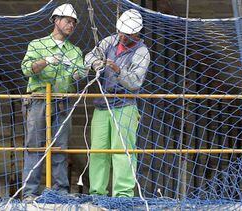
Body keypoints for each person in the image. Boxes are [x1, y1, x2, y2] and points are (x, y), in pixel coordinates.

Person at [21, 3, 86, 201]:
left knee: (60, 147)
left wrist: (79, 74)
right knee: (35, 146)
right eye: (68, 21)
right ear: (56, 20)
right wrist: (46, 61)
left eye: (74, 23)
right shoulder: (37, 45)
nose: (71, 25)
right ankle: (30, 192)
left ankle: (60, 191)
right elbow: (26, 69)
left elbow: (78, 73)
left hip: (62, 101)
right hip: (39, 100)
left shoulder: (75, 51)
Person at [85, 9, 150, 197]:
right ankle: (97, 192)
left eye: (127, 34)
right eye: (121, 31)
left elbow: (135, 82)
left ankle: (123, 195)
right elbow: (89, 56)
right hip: (102, 104)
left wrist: (117, 69)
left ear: (136, 33)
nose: (122, 36)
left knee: (123, 151)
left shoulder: (141, 52)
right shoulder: (109, 41)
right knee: (98, 151)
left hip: (125, 106)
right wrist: (95, 63)